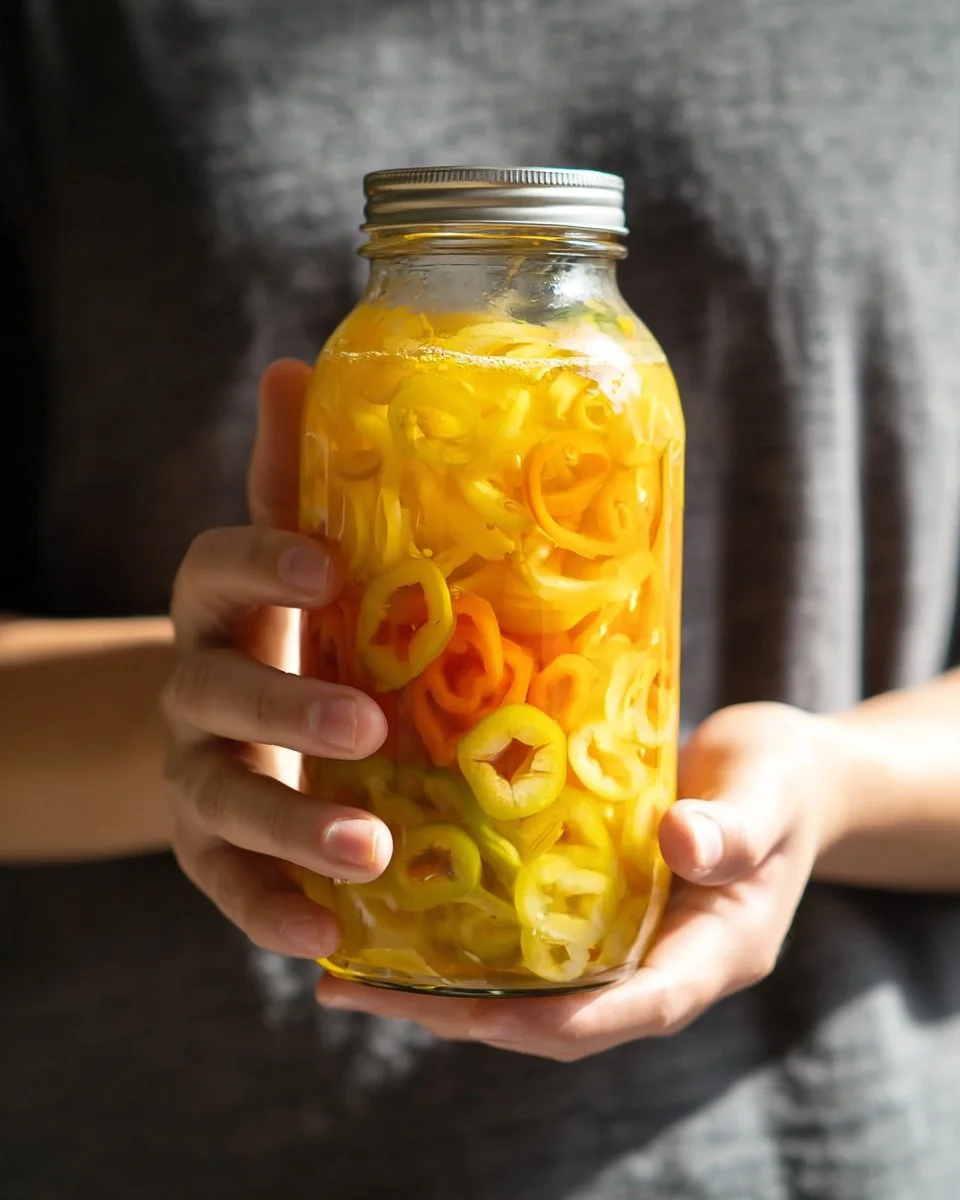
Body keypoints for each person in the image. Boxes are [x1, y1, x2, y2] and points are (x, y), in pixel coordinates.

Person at [2, 1, 959, 1197]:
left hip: (828, 1140)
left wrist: (829, 781)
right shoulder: (77, 35)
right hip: (182, 1132)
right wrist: (199, 712)